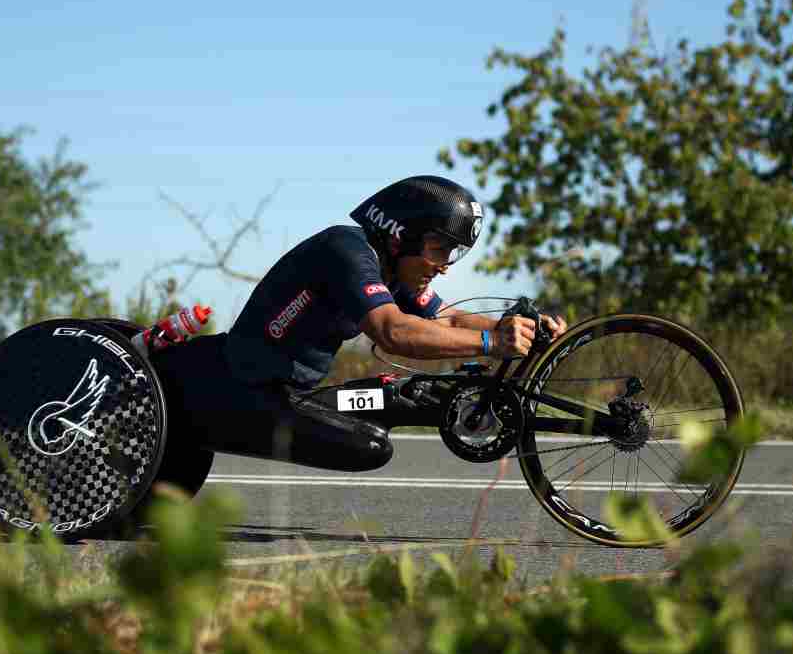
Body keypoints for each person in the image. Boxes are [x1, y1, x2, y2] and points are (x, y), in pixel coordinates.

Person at [144, 175, 568, 472]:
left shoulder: (391, 269)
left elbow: (446, 317)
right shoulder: (346, 250)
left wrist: (519, 327)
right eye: (439, 250)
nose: (443, 267)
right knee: (369, 446)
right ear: (400, 234)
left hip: (291, 394)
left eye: (453, 254)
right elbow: (392, 331)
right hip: (239, 391)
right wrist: (492, 341)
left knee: (406, 396)